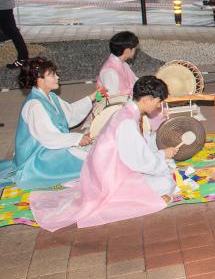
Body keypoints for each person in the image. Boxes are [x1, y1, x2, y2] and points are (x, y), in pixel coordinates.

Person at [30, 76, 181, 230]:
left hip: (103, 173)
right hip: (110, 179)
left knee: (161, 174)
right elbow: (139, 161)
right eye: (158, 101)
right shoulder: (127, 121)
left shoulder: (125, 112)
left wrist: (159, 156)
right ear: (148, 99)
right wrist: (163, 156)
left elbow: (135, 151)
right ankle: (124, 199)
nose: (158, 106)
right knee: (165, 181)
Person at [0, 57, 96, 190]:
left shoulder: (51, 97)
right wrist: (77, 138)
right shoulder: (35, 105)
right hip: (36, 159)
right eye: (52, 74)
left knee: (89, 151)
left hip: (49, 148)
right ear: (39, 80)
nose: (57, 77)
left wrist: (91, 97)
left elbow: (70, 113)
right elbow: (48, 137)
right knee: (87, 159)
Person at [0, 0, 29, 70]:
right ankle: (23, 58)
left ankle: (23, 58)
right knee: (11, 31)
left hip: (3, 6)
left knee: (12, 31)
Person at [98, 31, 140, 99]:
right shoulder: (110, 72)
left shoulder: (123, 64)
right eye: (135, 48)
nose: (136, 50)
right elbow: (112, 99)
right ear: (127, 51)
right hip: (116, 106)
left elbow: (136, 81)